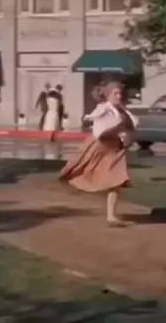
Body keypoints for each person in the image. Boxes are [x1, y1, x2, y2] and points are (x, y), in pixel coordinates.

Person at [59, 81, 137, 227]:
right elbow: (97, 124)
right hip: (100, 145)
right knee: (82, 168)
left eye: (120, 93)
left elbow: (130, 125)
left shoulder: (122, 110)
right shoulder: (103, 108)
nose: (119, 96)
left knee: (117, 180)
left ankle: (111, 216)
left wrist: (127, 132)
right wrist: (89, 118)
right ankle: (69, 185)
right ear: (107, 95)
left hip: (115, 149)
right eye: (115, 93)